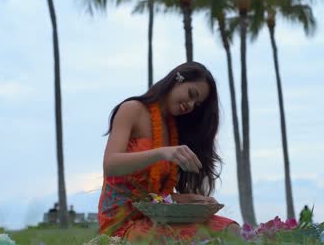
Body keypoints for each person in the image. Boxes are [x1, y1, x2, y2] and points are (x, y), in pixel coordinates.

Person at [97, 62, 239, 243]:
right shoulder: (132, 109)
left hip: (158, 217)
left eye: (197, 104)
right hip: (124, 221)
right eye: (191, 94)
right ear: (177, 79)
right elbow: (110, 165)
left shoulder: (174, 130)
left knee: (231, 230)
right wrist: (162, 153)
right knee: (200, 236)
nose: (190, 105)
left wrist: (190, 199)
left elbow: (155, 197)